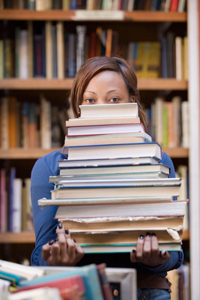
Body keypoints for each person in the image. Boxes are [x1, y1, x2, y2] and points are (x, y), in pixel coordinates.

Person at [31, 56, 183, 300]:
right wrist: (56, 258)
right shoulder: (49, 166)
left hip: (145, 293)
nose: (101, 108)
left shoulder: (158, 161)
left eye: (113, 99)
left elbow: (175, 252)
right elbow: (40, 257)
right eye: (90, 100)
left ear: (131, 103)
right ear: (79, 107)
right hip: (81, 292)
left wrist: (158, 258)